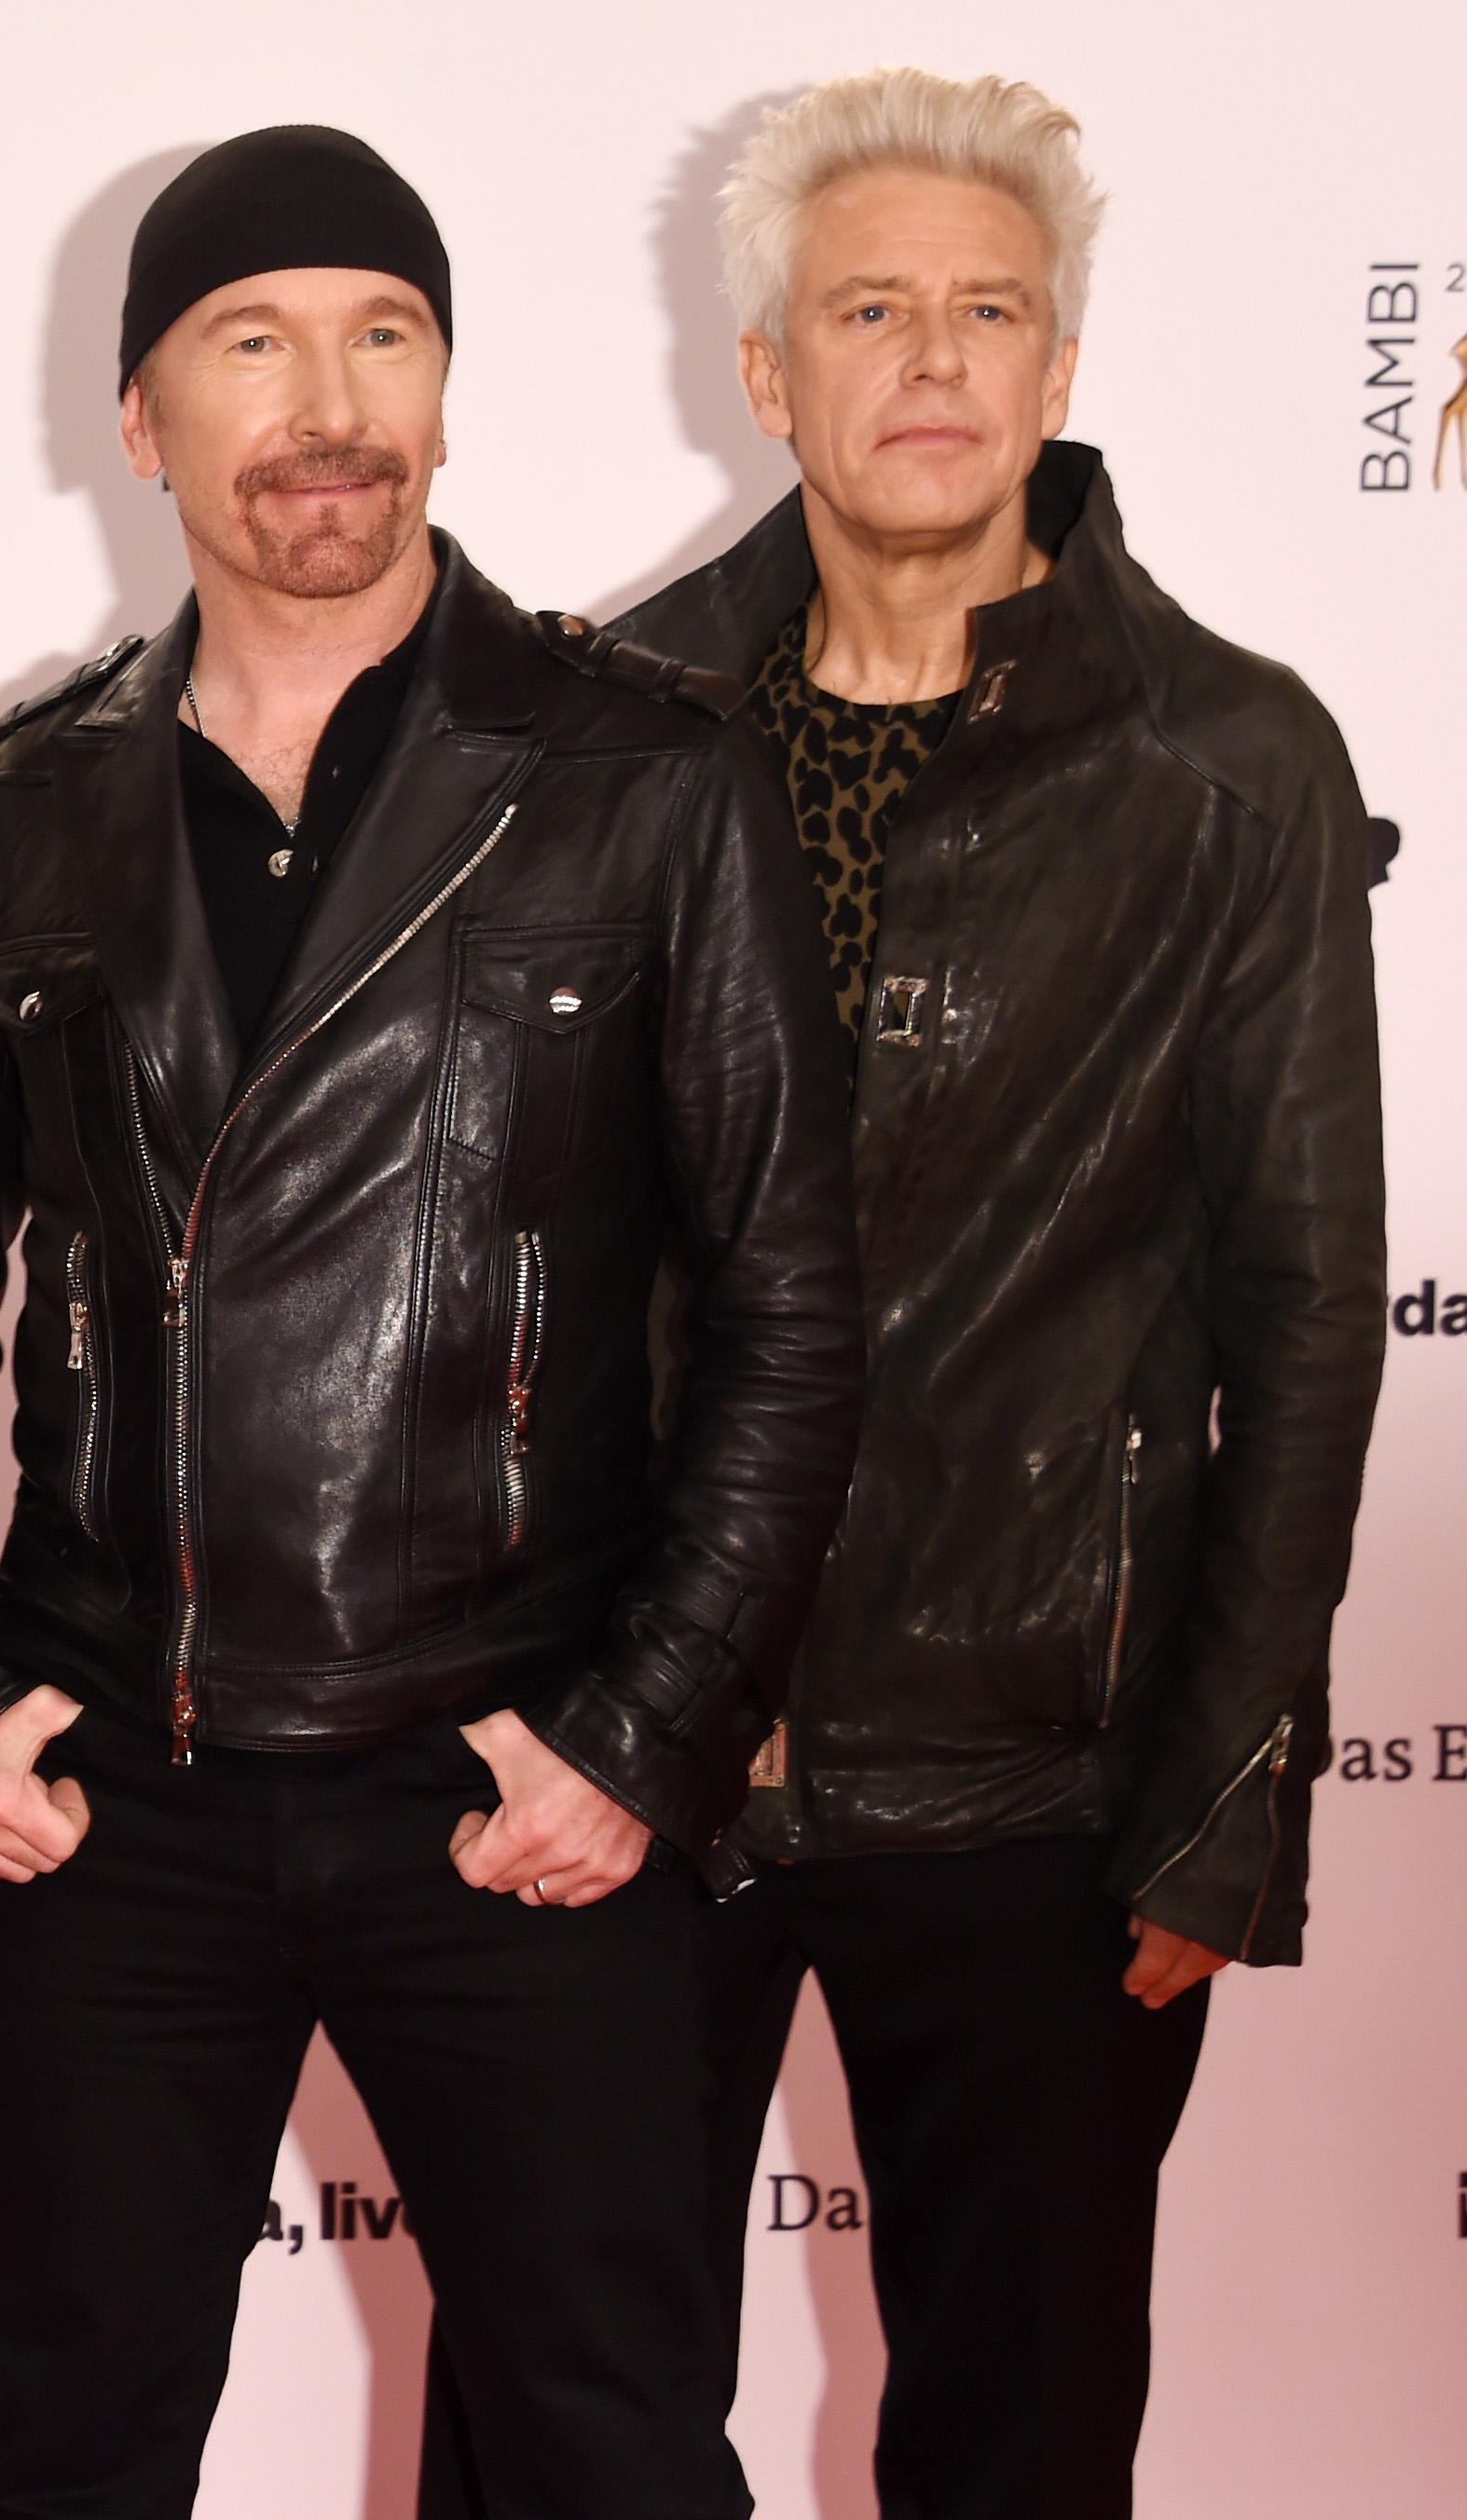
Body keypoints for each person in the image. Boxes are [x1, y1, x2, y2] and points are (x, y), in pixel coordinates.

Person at [0, 128, 864, 2520]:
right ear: (140, 412)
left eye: (384, 334)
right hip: (117, 1787)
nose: (328, 403)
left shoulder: (646, 774)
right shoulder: (22, 806)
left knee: (613, 2463)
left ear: (445, 393)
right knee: (68, 2461)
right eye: (252, 341)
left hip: (507, 1773)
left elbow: (790, 1303)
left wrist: (641, 1733)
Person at [608, 71, 1384, 2518]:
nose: (934, 360)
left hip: (1043, 1786)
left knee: (1019, 2457)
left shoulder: (1229, 761)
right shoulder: (604, 721)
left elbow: (1308, 1314)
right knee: (562, 2439)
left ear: (1058, 365)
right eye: (870, 310)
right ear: (769, 370)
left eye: (989, 310)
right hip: (634, 1752)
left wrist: (1216, 1809)